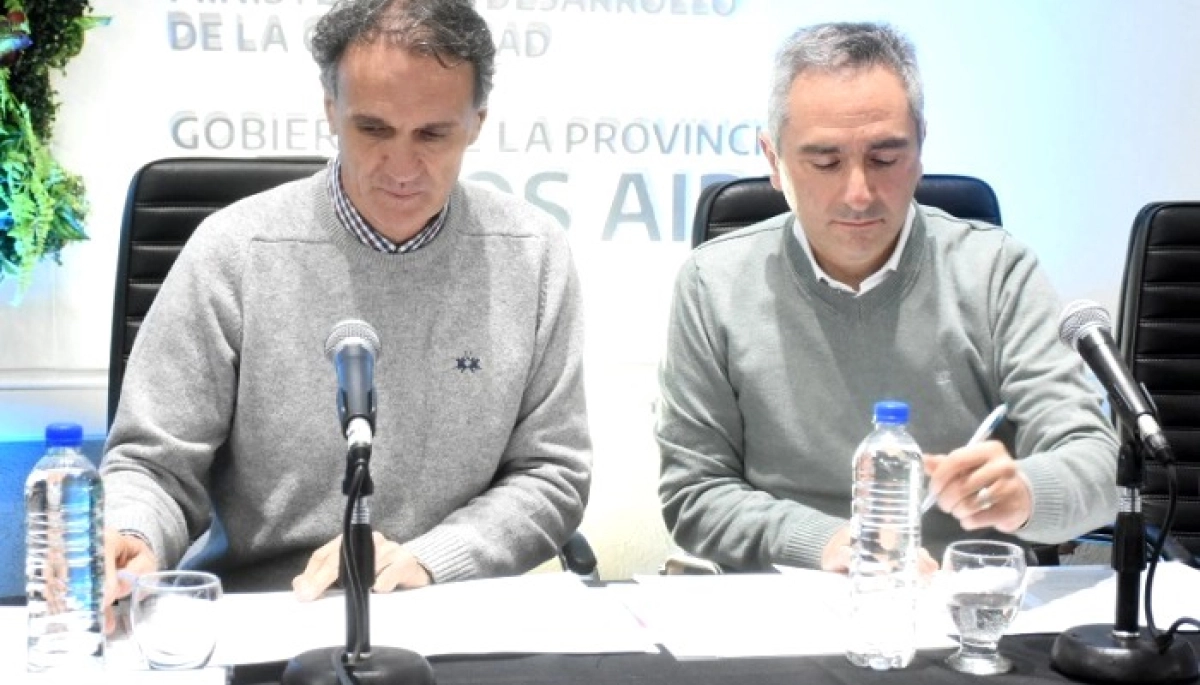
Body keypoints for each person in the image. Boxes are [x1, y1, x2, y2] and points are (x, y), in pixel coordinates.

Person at [100, 0, 591, 619]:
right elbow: (154, 466)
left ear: (476, 123)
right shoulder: (235, 251)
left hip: (453, 607)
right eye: (374, 130)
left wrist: (432, 558)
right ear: (331, 110)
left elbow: (552, 473)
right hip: (270, 612)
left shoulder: (533, 255)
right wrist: (134, 534)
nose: (402, 167)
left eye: (433, 134)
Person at [656, 21, 1118, 573]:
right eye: (825, 163)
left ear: (920, 149)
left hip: (957, 594)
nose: (858, 193)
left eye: (884, 159)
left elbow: (1096, 465)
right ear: (773, 160)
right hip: (787, 598)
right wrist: (826, 543)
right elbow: (695, 494)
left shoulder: (996, 272)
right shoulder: (713, 283)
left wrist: (1026, 492)